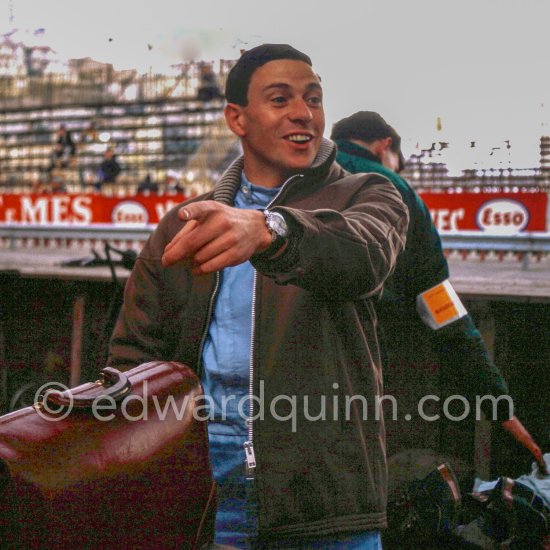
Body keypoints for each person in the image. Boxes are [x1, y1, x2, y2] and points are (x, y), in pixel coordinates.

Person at [107, 44, 409, 549]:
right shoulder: (184, 225)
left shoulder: (369, 193)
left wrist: (271, 230)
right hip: (203, 492)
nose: (303, 113)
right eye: (280, 98)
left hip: (323, 501)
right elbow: (134, 360)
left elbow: (364, 258)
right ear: (236, 118)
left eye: (313, 99)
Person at [331, 111, 546, 472]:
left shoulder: (289, 175)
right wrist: (499, 405)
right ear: (385, 147)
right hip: (370, 373)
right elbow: (438, 305)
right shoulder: (392, 188)